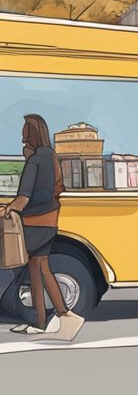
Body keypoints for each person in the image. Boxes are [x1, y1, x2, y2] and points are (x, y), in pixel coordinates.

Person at [2, 115, 82, 340]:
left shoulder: (35, 161)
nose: (22, 136)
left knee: (37, 269)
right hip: (49, 220)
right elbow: (59, 187)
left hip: (34, 223)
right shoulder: (51, 157)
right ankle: (44, 321)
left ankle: (63, 315)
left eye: (25, 132)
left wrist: (5, 210)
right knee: (39, 269)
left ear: (32, 134)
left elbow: (22, 199)